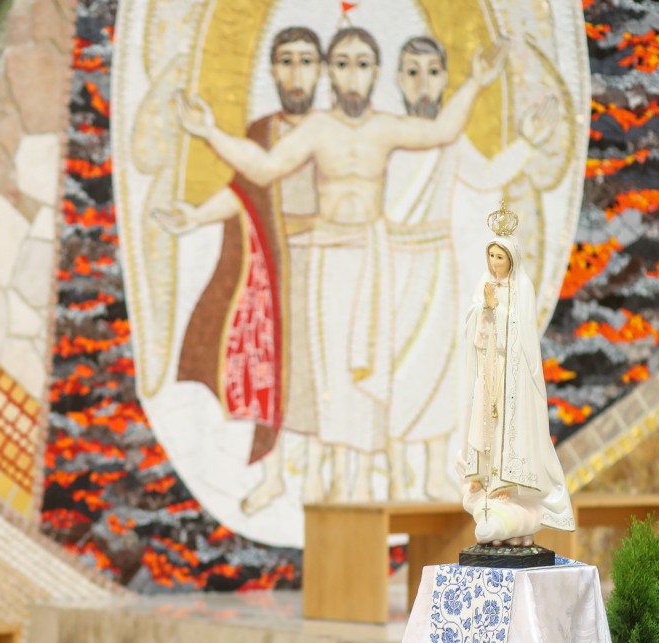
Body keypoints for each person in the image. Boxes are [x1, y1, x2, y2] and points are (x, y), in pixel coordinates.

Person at [177, 28, 505, 502]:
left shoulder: (385, 127)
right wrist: (210, 132)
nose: (353, 76)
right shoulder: (317, 129)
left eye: (363, 64)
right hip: (327, 257)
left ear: (376, 72)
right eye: (343, 64)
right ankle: (334, 480)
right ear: (331, 72)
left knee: (373, 365)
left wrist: (475, 82)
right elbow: (264, 167)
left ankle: (367, 479)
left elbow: (441, 132)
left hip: (372, 256)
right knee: (330, 368)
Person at [155, 25, 324, 514]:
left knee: (319, 368)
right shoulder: (261, 132)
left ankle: (318, 475)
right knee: (275, 364)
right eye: (286, 61)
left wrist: (209, 133)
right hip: (276, 261)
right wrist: (195, 217)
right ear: (272, 69)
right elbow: (244, 190)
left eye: (306, 61)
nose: (296, 73)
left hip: (327, 260)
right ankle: (274, 474)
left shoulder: (332, 129)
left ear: (319, 69)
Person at [384, 35, 558, 499]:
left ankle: (430, 471)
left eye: (432, 72)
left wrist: (527, 143)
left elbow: (485, 175)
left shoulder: (450, 140)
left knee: (437, 365)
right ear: (398, 78)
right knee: (396, 364)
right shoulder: (389, 134)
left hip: (434, 263)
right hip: (392, 262)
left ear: (444, 77)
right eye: (412, 72)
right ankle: (395, 471)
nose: (423, 83)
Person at [456, 231, 575, 544]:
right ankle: (485, 480)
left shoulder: (522, 286)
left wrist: (496, 308)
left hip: (512, 374)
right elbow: (472, 324)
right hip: (489, 369)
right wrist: (484, 309)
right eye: (491, 256)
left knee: (506, 430)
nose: (495, 262)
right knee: (486, 426)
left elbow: (522, 330)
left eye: (500, 257)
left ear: (511, 259)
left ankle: (505, 486)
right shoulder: (484, 282)